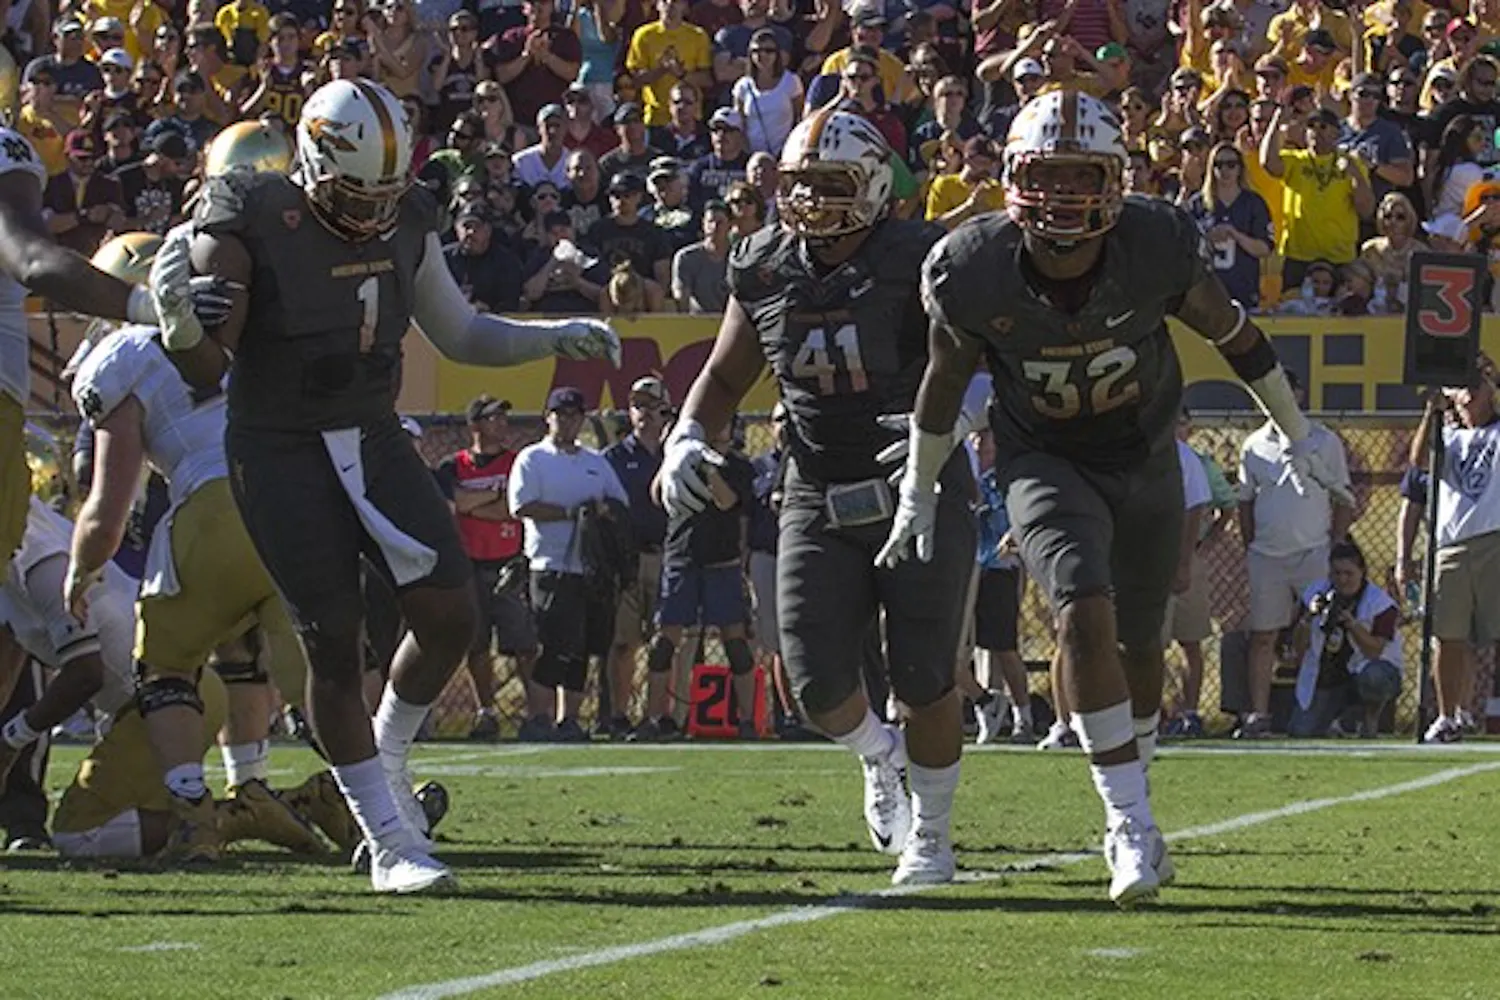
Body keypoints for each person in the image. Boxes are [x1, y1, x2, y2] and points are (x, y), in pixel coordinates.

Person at [144, 78, 620, 894]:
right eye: (356, 193)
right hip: (281, 449)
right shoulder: (251, 214)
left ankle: (389, 756)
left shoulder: (407, 214)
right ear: (311, 165)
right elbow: (205, 367)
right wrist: (180, 320)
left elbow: (460, 332)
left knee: (450, 612)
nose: (373, 211)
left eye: (385, 194)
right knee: (333, 642)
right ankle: (389, 840)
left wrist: (550, 337)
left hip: (370, 432)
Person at [881, 90, 1347, 906]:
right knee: (1080, 613)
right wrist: (918, 488)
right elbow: (943, 382)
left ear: (1116, 180)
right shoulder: (973, 265)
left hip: (1145, 457)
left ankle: (1139, 793)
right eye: (1047, 176)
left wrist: (1297, 431)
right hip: (1044, 459)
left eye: (1081, 177)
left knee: (1140, 644)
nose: (1064, 196)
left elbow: (1235, 336)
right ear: (1015, 178)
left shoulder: (1154, 244)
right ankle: (1127, 823)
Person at [657, 108, 978, 886]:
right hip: (815, 486)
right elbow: (725, 373)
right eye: (799, 185)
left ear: (870, 187)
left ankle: (932, 835)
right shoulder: (764, 263)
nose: (810, 202)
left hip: (918, 480)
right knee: (813, 680)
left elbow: (980, 354)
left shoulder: (919, 257)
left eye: (830, 186)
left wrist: (952, 425)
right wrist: (687, 435)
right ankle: (878, 754)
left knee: (923, 674)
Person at [65, 231, 319, 863]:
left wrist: (80, 570)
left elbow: (109, 507)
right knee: (300, 667)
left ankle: (195, 818)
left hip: (215, 506)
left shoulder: (122, 352)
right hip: (300, 500)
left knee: (168, 669)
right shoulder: (239, 329)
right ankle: (363, 800)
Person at [508, 387, 630, 741]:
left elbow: (619, 503)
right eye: (560, 415)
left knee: (582, 647)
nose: (567, 422)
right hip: (550, 565)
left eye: (574, 416)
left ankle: (570, 719)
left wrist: (602, 514)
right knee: (553, 644)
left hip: (589, 568)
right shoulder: (532, 459)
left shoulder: (596, 462)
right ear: (548, 418)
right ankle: (538, 717)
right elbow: (522, 505)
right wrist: (570, 513)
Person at [1237, 368, 1353, 738]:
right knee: (1263, 636)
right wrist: (1252, 544)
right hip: (1267, 557)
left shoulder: (1325, 441)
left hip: (1313, 552)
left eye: (1285, 391)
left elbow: (1343, 496)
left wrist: (1334, 543)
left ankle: (1319, 714)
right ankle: (1258, 715)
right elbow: (1245, 500)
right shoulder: (1253, 445)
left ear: (1298, 395)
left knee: (1321, 634)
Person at [640, 419, 755, 739]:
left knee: (735, 642)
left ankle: (747, 719)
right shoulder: (681, 457)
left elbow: (727, 501)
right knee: (664, 642)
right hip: (682, 558)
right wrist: (673, 455)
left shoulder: (738, 467)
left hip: (722, 561)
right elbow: (657, 494)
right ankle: (655, 718)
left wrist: (708, 468)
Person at [435, 395, 538, 742]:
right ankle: (486, 712)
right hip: (468, 565)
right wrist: (491, 499)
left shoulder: (516, 462)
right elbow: (453, 506)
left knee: (523, 643)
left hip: (509, 562)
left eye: (503, 418)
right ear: (475, 425)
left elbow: (513, 509)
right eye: (493, 418)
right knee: (476, 644)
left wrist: (473, 505)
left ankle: (536, 713)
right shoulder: (452, 466)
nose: (502, 424)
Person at [1408, 365, 1500, 743]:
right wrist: (1431, 411)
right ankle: (1447, 717)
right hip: (1451, 544)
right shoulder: (1446, 436)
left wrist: (1491, 379)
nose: (1470, 392)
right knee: (1448, 635)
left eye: (1477, 385)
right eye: (1463, 387)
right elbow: (1418, 462)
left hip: (1494, 537)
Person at [602, 376, 670, 739]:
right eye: (637, 405)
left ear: (665, 410)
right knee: (623, 641)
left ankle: (657, 715)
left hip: (668, 557)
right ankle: (618, 715)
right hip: (627, 560)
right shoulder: (613, 458)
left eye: (651, 405)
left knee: (664, 641)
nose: (644, 413)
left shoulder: (675, 453)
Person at [1286, 540, 1402, 738]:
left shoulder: (1381, 604)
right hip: (1327, 677)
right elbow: (1298, 648)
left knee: (1374, 678)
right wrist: (1308, 617)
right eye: (1336, 573)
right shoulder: (1315, 593)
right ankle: (1339, 722)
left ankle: (1368, 718)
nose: (1342, 580)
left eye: (1349, 573)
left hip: (1368, 671)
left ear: (1362, 572)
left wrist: (1352, 625)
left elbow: (1374, 651)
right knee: (1301, 731)